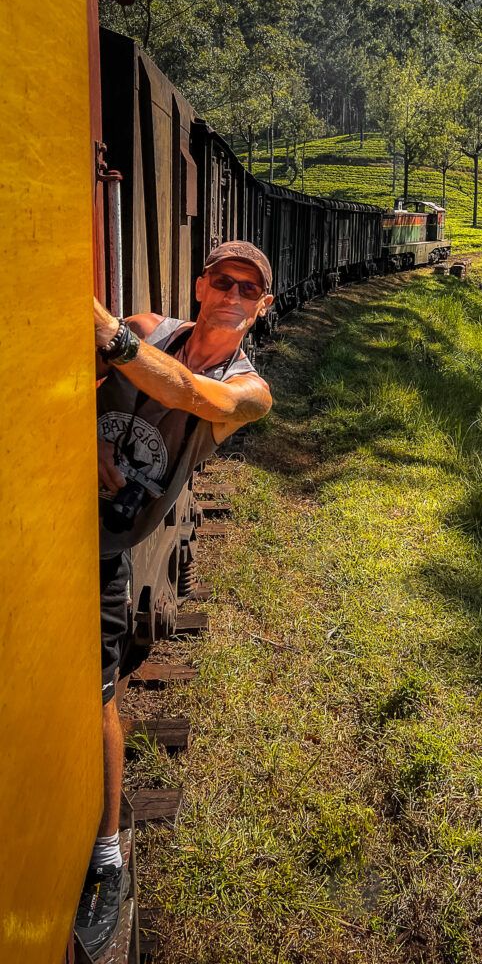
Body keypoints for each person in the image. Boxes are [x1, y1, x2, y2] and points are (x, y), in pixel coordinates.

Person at [74, 241, 275, 958]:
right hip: (44, 518)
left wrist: (108, 331)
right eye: (223, 280)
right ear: (201, 285)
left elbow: (197, 397)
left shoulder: (250, 390)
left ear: (262, 306)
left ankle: (106, 858)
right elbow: (75, 380)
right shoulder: (150, 324)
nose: (233, 293)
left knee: (97, 695)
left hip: (104, 548)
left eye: (248, 289)